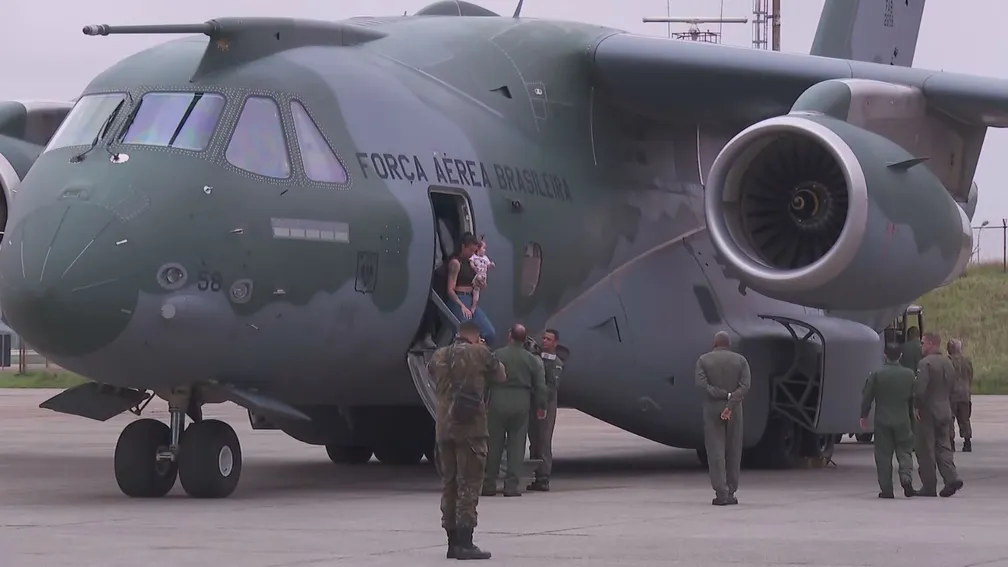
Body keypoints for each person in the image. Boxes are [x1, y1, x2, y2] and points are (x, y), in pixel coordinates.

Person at [427, 320, 506, 560]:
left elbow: (431, 370)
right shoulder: (480, 353)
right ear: (475, 336)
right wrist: (483, 349)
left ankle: (451, 543)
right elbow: (501, 375)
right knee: (469, 485)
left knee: (449, 484)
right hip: (470, 428)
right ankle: (466, 542)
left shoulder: (440, 355)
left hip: (444, 429)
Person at [483, 324, 547, 497]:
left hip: (498, 400)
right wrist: (541, 406)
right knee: (517, 446)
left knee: (494, 444)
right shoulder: (531, 359)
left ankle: (488, 484)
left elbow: (486, 379)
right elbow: (541, 385)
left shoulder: (497, 354)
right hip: (521, 402)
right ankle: (511, 487)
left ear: (509, 335)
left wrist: (483, 401)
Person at [695, 331, 751, 506]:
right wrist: (731, 402)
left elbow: (701, 384)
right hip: (735, 409)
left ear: (714, 343)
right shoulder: (741, 361)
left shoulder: (703, 360)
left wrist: (721, 395)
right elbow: (745, 386)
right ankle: (732, 491)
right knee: (734, 449)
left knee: (715, 451)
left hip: (712, 408)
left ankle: (721, 493)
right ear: (729, 344)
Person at [860, 342, 917, 498]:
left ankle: (887, 489)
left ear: (885, 355)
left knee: (883, 455)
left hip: (882, 419)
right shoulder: (909, 374)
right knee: (905, 451)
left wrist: (863, 415)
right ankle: (906, 477)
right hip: (903, 418)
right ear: (900, 356)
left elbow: (867, 397)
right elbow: (915, 399)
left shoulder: (877, 374)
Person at [913, 332, 964, 498]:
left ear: (930, 344)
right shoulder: (948, 363)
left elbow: (920, 389)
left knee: (925, 448)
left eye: (923, 343)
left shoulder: (925, 363)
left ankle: (929, 485)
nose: (921, 346)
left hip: (928, 411)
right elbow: (953, 387)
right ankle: (951, 477)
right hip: (945, 409)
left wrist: (916, 407)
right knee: (943, 446)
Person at [528, 328, 564, 492]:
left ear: (555, 343)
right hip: (535, 403)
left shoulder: (555, 363)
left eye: (548, 339)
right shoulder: (538, 358)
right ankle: (536, 475)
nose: (545, 341)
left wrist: (541, 402)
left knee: (543, 441)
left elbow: (551, 387)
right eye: (543, 338)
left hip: (546, 405)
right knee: (534, 440)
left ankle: (544, 478)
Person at [446, 232, 497, 346]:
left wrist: (481, 283)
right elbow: (450, 290)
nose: (471, 254)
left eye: (474, 252)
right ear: (463, 247)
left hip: (470, 299)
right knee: (465, 337)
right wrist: (461, 305)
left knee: (489, 332)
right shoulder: (456, 263)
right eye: (470, 251)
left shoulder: (471, 263)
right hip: (459, 298)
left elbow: (479, 283)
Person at [947, 339, 974, 452]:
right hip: (965, 394)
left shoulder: (947, 361)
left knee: (949, 419)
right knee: (965, 419)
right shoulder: (967, 361)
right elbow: (971, 375)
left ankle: (951, 442)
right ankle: (967, 442)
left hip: (951, 394)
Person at [469, 237, 495, 311]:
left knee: (477, 294)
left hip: (483, 276)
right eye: (483, 248)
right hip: (477, 275)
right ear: (478, 249)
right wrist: (474, 267)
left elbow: (488, 266)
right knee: (478, 279)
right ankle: (480, 281)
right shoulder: (474, 256)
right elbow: (471, 263)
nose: (485, 250)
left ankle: (474, 306)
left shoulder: (486, 258)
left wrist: (491, 265)